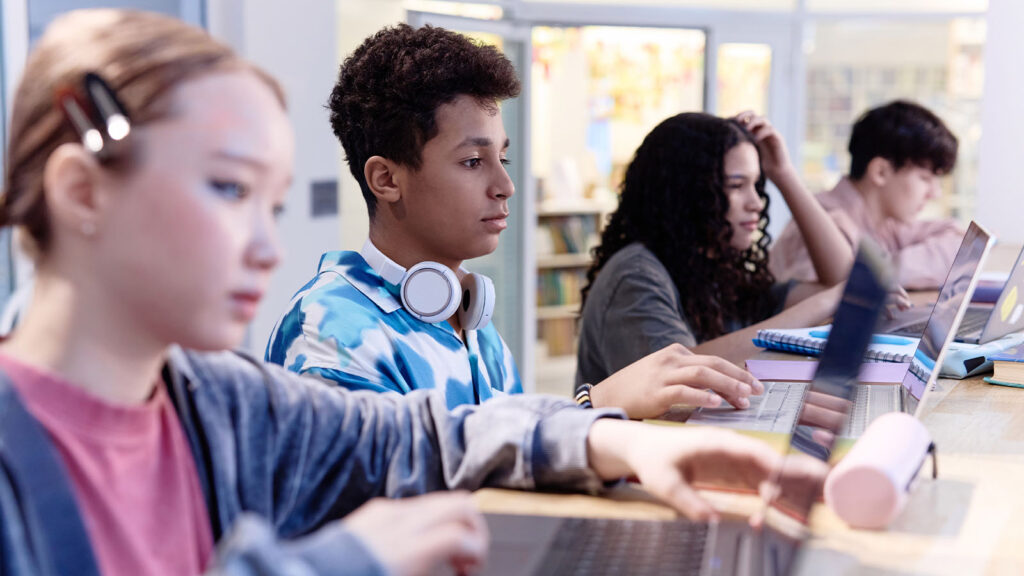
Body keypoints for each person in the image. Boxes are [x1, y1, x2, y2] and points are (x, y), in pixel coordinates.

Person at [0, 10, 801, 575]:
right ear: (83, 194)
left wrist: (618, 440)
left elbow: (423, 438)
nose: (268, 245)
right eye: (226, 190)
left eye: (271, 205)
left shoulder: (218, 402)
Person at [265, 24, 760, 418]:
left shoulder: (468, 319)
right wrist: (594, 407)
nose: (506, 186)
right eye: (473, 162)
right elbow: (396, 518)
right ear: (386, 179)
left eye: (503, 157)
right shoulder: (329, 333)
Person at [578, 111, 856, 382]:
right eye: (736, 185)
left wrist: (783, 174)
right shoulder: (634, 275)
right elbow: (681, 374)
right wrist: (827, 300)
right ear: (688, 193)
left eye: (756, 184)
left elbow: (845, 284)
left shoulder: (716, 270)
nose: (756, 203)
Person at [770, 100, 963, 290]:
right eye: (925, 179)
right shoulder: (825, 222)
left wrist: (885, 273)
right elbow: (812, 310)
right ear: (880, 172)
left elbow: (959, 240)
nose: (935, 193)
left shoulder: (887, 223)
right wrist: (878, 277)